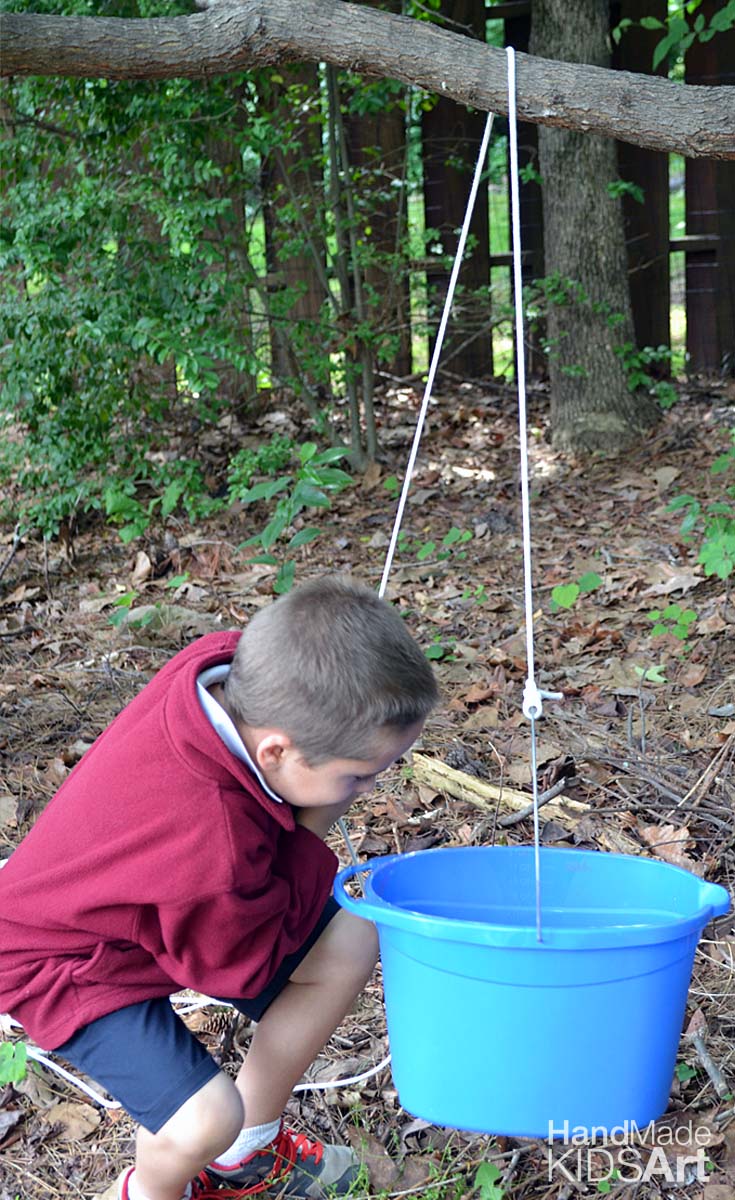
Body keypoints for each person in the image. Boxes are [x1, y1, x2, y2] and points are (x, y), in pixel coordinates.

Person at [0, 575, 438, 1200]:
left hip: (137, 908)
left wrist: (315, 804)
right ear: (277, 751)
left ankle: (244, 1155)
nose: (366, 791)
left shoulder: (218, 669)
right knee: (202, 1118)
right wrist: (311, 828)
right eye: (358, 777)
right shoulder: (214, 845)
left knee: (353, 936)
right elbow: (240, 970)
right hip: (61, 958)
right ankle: (145, 1193)